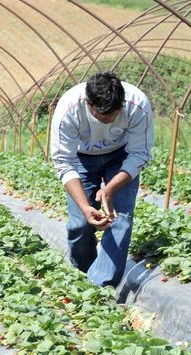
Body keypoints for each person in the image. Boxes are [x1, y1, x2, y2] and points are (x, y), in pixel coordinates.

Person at [51, 71, 154, 287]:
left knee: (119, 218)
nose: (110, 120)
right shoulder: (68, 109)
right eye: (102, 115)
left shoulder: (137, 105)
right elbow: (64, 161)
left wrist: (111, 189)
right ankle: (82, 276)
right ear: (88, 104)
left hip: (122, 155)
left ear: (122, 101)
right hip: (82, 158)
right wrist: (85, 206)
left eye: (115, 114)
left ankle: (100, 287)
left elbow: (140, 153)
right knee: (80, 223)